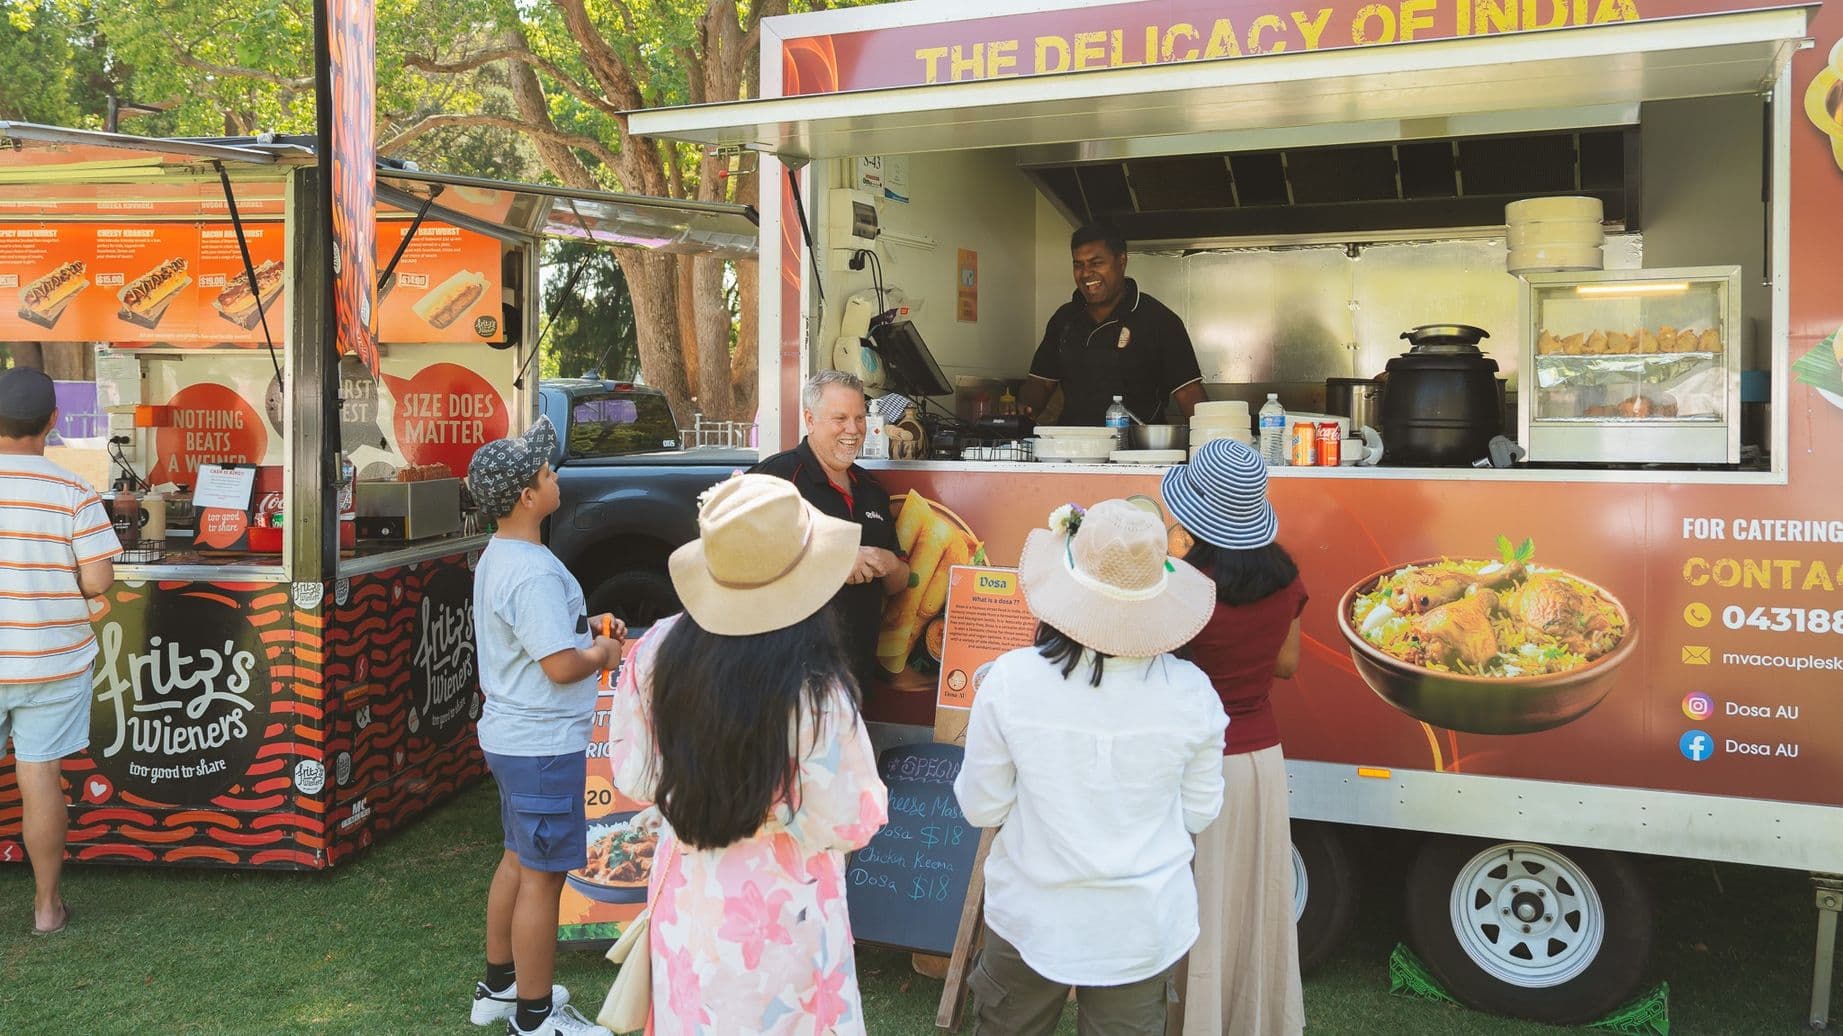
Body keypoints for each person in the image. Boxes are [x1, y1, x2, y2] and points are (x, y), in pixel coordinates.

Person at [608, 473, 890, 1034]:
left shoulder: (656, 650)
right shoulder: (815, 688)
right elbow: (854, 818)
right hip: (790, 911)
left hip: (691, 901)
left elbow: (635, 775)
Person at [955, 498, 1227, 1035]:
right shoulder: (1193, 694)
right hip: (1140, 925)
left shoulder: (1010, 681)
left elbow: (981, 804)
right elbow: (1199, 813)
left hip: (1032, 915)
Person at [465, 415, 627, 1036]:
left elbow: (535, 640)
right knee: (543, 876)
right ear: (530, 497)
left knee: (517, 857)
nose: (554, 473)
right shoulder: (531, 571)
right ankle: (533, 1019)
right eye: (546, 470)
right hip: (541, 744)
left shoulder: (505, 556)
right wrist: (601, 655)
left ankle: (500, 987)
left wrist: (586, 628)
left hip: (515, 738)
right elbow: (560, 666)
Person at [1162, 438, 1308, 1036]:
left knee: (1190, 909)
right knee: (1252, 906)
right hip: (1260, 761)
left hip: (1190, 761)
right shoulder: (1286, 576)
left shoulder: (1184, 585)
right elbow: (1287, 665)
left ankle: (1189, 1023)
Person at [0, 367, 122, 935]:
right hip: (51, 657)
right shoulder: (72, 490)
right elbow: (98, 580)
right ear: (53, 420)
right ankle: (47, 910)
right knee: (40, 777)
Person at [750, 370, 909, 689]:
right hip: (786, 680)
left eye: (860, 418)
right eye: (840, 418)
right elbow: (736, 562)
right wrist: (831, 561)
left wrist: (889, 563)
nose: (853, 430)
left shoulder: (871, 488)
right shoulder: (775, 478)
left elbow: (898, 582)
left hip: (855, 681)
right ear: (810, 420)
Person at [1018, 224, 1206, 426]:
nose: (1086, 273)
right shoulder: (1064, 319)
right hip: (1073, 449)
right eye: (1078, 265)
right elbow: (1041, 383)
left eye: (1096, 263)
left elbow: (1188, 393)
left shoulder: (1159, 320)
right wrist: (1025, 408)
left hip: (1138, 452)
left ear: (1122, 261)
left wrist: (1213, 445)